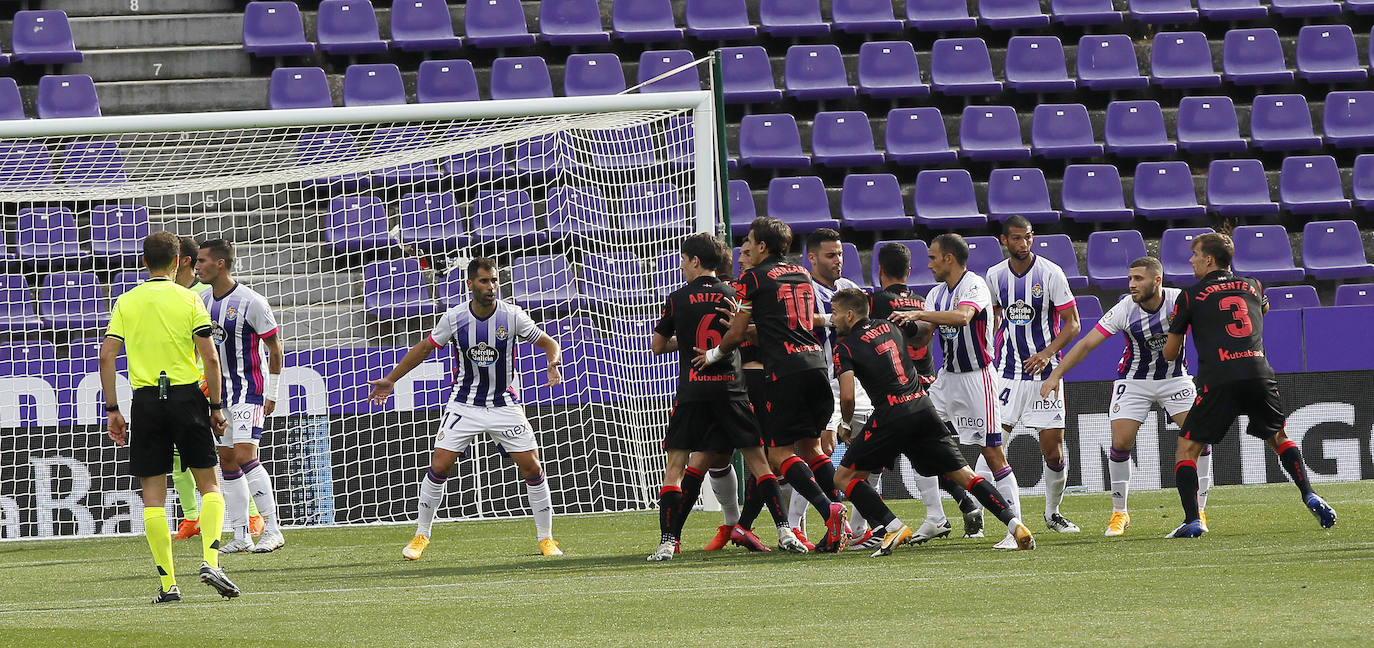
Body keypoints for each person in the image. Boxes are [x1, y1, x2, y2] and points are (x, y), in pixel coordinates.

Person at [369, 258, 566, 558]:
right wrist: (391, 380)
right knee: (440, 465)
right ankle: (421, 535)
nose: (492, 287)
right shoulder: (455, 317)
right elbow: (424, 348)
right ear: (470, 284)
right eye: (485, 281)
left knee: (533, 467)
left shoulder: (512, 316)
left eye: (495, 281)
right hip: (465, 404)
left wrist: (553, 362)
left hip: (503, 403)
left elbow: (549, 342)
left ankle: (546, 539)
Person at [829, 289, 1035, 557]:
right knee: (965, 475)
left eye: (834, 313)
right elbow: (920, 337)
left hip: (891, 413)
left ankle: (893, 526)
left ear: (849, 314)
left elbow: (847, 395)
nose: (831, 320)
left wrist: (845, 423)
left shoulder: (844, 346)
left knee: (843, 476)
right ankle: (1015, 524)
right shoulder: (889, 325)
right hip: (923, 406)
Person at [1162, 233, 1336, 538]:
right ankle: (1308, 493)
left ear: (1209, 259)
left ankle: (1192, 519)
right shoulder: (1253, 285)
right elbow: (1262, 310)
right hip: (1258, 370)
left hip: (1219, 376)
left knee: (1187, 448)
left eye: (1195, 254)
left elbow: (1171, 353)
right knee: (1279, 436)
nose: (1191, 260)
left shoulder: (1189, 296)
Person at [693, 216, 850, 553]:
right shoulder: (804, 275)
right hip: (816, 365)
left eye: (749, 242)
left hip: (784, 372)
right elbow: (799, 321)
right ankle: (840, 518)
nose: (744, 250)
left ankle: (829, 509)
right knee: (813, 449)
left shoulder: (752, 279)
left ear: (762, 246)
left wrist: (713, 354)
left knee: (778, 455)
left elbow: (736, 332)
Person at [100, 230, 239, 603]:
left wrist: (113, 409)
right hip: (186, 397)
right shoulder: (190, 299)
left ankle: (168, 585)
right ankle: (212, 561)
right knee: (210, 485)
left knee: (153, 498)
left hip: (145, 401)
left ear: (143, 262)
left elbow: (107, 356)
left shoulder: (126, 302)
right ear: (179, 261)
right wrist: (215, 406)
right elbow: (210, 357)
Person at [648, 233, 803, 560]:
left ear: (694, 261)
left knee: (676, 466)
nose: (681, 266)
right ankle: (784, 530)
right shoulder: (735, 293)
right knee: (760, 463)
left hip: (692, 391)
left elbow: (658, 346)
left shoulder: (677, 298)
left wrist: (687, 341)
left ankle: (667, 541)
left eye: (683, 260)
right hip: (732, 389)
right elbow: (754, 331)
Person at [1043, 257, 1208, 537]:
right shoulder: (1124, 309)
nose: (1132, 284)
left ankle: (1199, 510)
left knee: (1199, 438)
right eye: (1130, 278)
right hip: (1133, 381)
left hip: (1175, 379)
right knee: (1120, 442)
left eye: (1139, 279)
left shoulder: (1180, 301)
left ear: (1157, 280)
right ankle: (1120, 512)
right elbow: (1086, 344)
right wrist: (1056, 373)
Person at [889, 233, 1022, 550]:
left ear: (949, 258)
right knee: (917, 437)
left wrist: (918, 313)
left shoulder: (974, 285)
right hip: (946, 379)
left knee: (992, 454)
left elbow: (963, 317)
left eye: (933, 257)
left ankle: (1014, 528)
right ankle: (935, 517)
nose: (930, 263)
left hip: (978, 379)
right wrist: (902, 327)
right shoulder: (936, 293)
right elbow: (923, 337)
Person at [869, 243, 984, 542]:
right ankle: (957, 504)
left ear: (879, 270)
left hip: (900, 389)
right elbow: (923, 337)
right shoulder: (925, 301)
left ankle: (870, 528)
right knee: (927, 451)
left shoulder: (876, 303)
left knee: (881, 456)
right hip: (931, 382)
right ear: (909, 271)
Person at [985, 216, 1082, 534]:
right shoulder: (995, 276)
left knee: (1053, 451)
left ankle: (1053, 512)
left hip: (1046, 377)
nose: (1023, 244)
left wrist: (1046, 354)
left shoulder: (1050, 273)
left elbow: (1073, 324)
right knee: (993, 446)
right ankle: (992, 518)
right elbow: (992, 319)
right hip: (1007, 375)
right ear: (1004, 240)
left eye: (1027, 237)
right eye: (1016, 238)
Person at [169, 237, 265, 541]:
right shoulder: (179, 295)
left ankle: (255, 518)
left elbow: (215, 350)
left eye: (199, 261)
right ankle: (191, 517)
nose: (198, 267)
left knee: (239, 454)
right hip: (189, 384)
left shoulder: (206, 296)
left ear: (180, 261)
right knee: (182, 454)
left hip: (220, 388)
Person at [195, 239, 287, 554]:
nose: (198, 266)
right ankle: (241, 535)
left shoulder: (253, 302)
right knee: (228, 461)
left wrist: (272, 392)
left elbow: (275, 349)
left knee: (246, 456)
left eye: (203, 261)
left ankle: (273, 531)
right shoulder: (202, 302)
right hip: (219, 396)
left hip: (249, 392)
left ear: (220, 263)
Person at [805, 229, 879, 551]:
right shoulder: (804, 288)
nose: (838, 261)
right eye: (830, 255)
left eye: (840, 254)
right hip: (821, 380)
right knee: (817, 454)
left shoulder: (849, 288)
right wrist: (829, 320)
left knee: (872, 454)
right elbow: (799, 320)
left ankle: (859, 529)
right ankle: (798, 527)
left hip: (853, 379)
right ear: (812, 258)